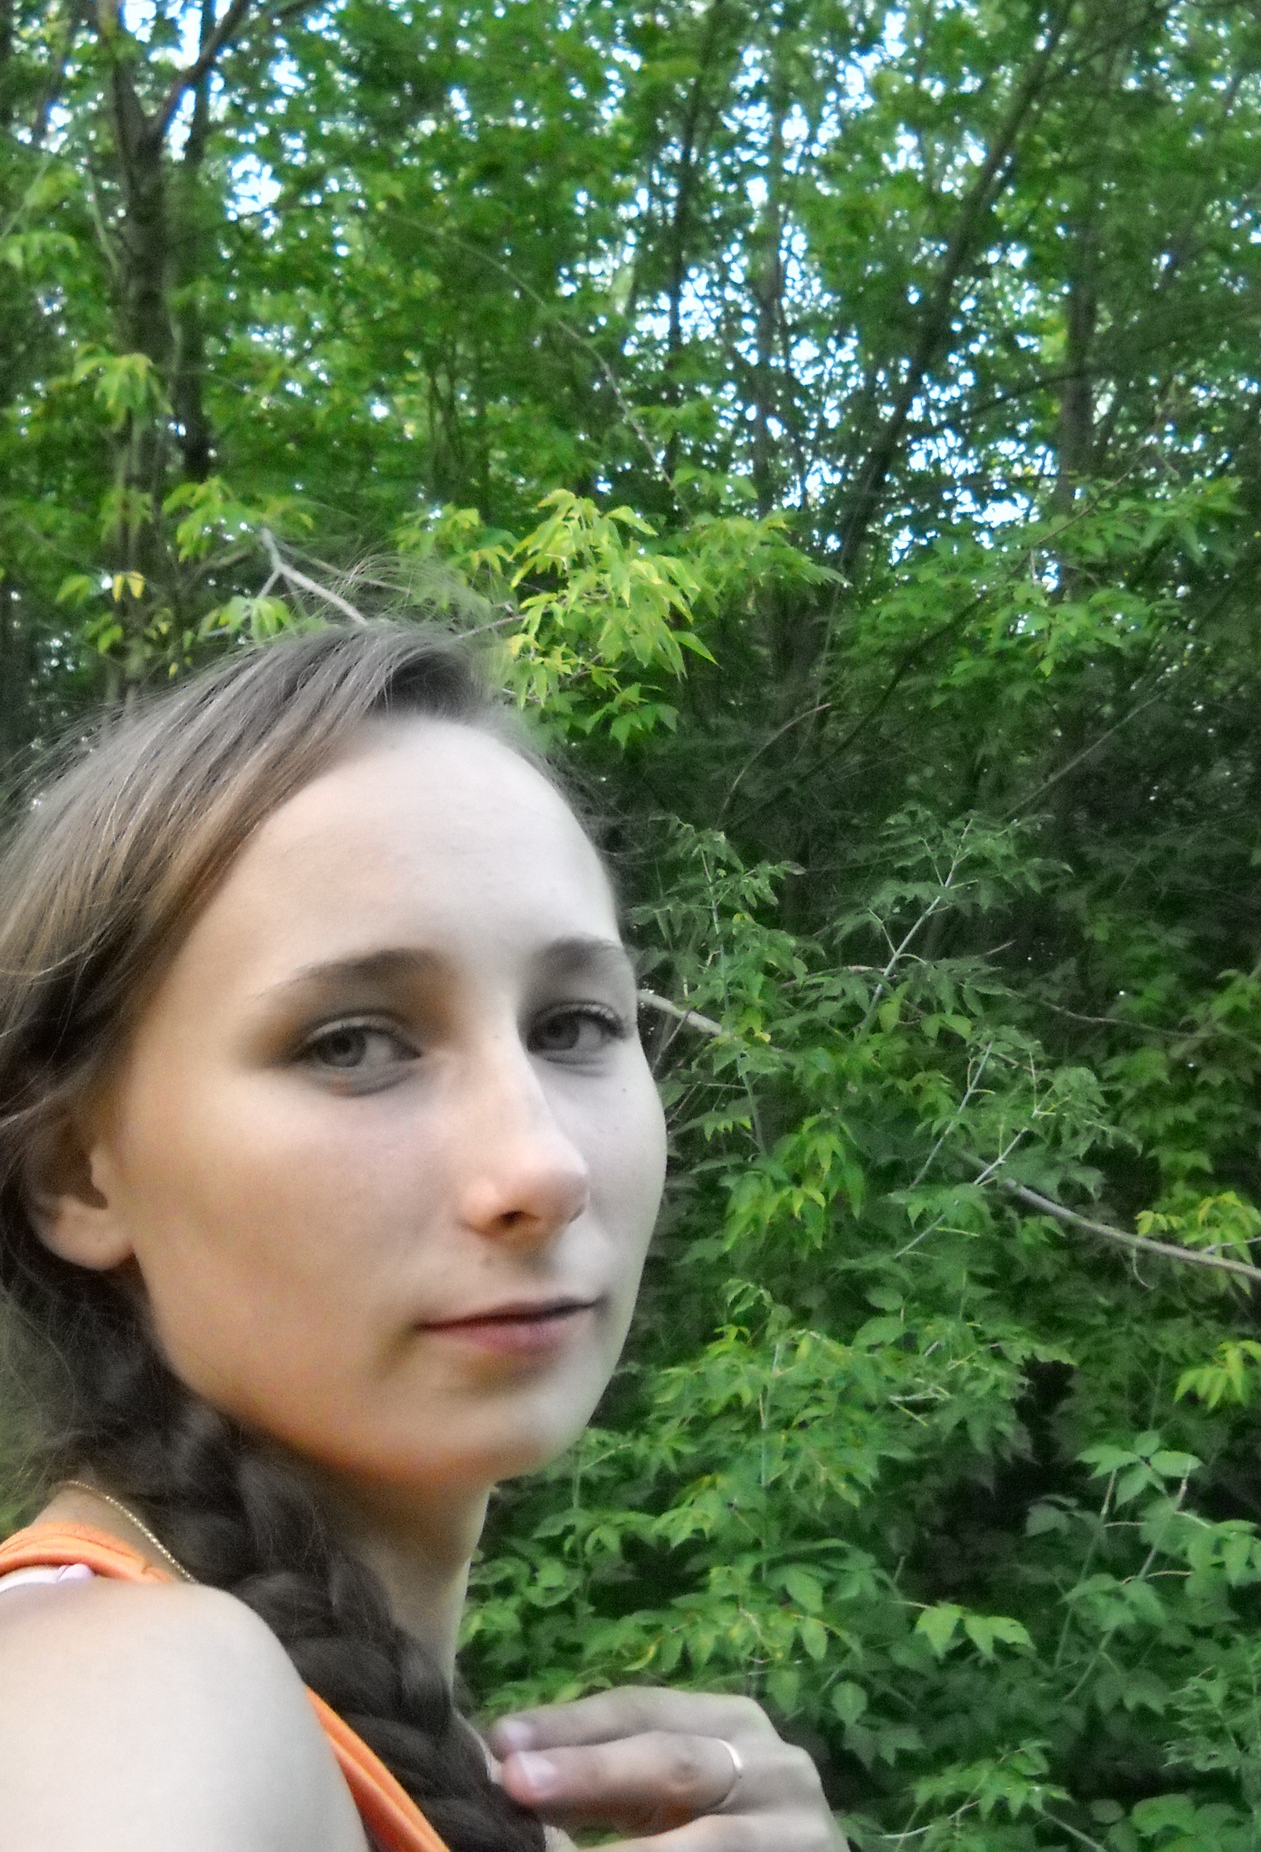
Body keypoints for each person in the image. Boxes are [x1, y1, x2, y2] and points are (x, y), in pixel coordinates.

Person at [0, 625, 844, 1852]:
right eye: (350, 1043)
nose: (542, 1166)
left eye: (574, 1024)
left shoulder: (344, 1749)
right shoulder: (130, 1695)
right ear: (77, 1173)